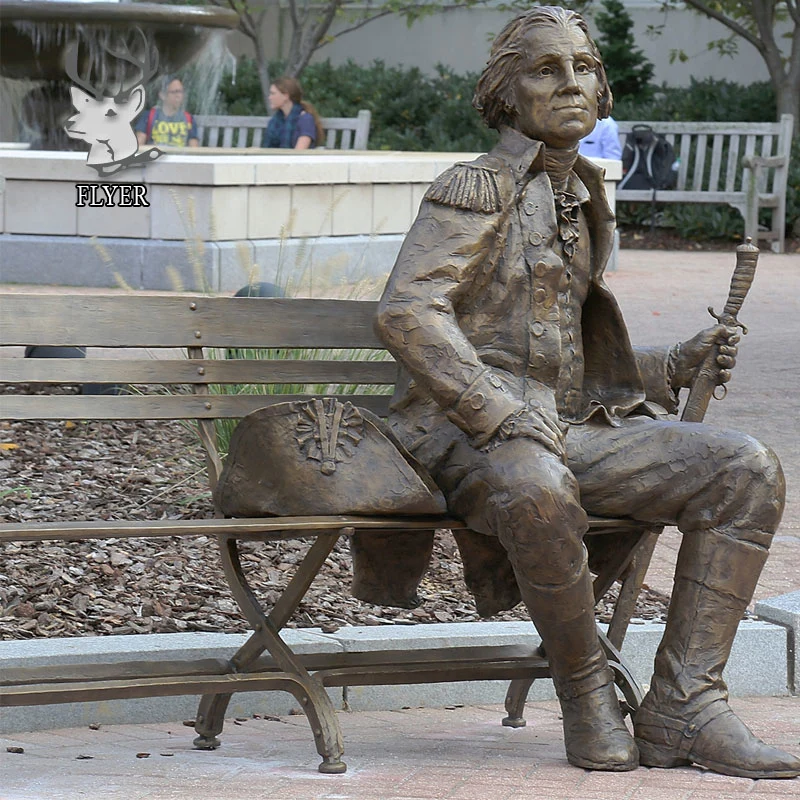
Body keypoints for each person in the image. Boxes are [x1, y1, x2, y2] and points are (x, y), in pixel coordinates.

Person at [372, 6, 799, 779]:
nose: (572, 83)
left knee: (746, 468)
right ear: (507, 94)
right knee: (537, 484)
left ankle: (684, 706)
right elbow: (409, 311)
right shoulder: (476, 186)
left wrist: (673, 362)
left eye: (584, 68)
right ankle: (585, 690)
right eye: (546, 69)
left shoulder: (582, 194)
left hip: (563, 428)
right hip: (466, 437)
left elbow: (562, 351)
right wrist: (497, 413)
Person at [261, 77, 324, 150]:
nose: (269, 97)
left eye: (273, 93)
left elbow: (299, 152)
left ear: (286, 96)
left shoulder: (305, 120)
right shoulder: (275, 121)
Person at [135, 76, 198, 148]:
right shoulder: (148, 116)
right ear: (162, 95)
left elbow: (194, 149)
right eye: (175, 92)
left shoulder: (188, 118)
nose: (179, 96)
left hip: (180, 158)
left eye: (181, 92)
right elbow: (139, 145)